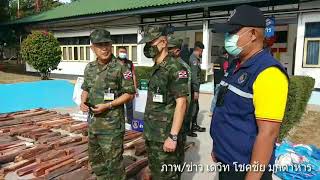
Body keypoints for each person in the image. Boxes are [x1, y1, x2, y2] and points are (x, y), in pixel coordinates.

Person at [210, 5, 289, 180]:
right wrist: (218, 148)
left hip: (246, 169)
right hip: (227, 160)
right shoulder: (236, 65)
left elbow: (268, 133)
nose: (228, 37)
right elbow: (227, 111)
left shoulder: (268, 73)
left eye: (233, 32)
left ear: (253, 34)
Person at [80, 29, 135, 180]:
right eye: (99, 45)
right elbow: (86, 87)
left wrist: (108, 105)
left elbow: (129, 94)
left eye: (107, 44)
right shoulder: (89, 68)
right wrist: (82, 102)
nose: (104, 48)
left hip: (112, 127)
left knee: (114, 166)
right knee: (97, 162)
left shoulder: (121, 67)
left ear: (111, 45)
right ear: (92, 48)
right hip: (94, 125)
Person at [139, 26, 189, 179]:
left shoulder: (175, 68)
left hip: (166, 137)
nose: (147, 48)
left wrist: (173, 137)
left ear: (163, 42)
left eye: (150, 43)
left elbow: (181, 103)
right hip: (153, 135)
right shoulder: (157, 67)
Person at [168, 36, 192, 165]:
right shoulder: (166, 65)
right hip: (167, 115)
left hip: (178, 113)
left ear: (177, 51)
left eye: (169, 49)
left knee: (177, 150)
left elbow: (184, 98)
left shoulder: (182, 68)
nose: (166, 51)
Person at [187, 41, 206, 137]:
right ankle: (189, 129)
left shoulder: (195, 59)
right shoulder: (193, 59)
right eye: (201, 51)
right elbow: (194, 76)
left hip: (194, 87)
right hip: (192, 88)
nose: (202, 53)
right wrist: (196, 90)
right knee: (192, 109)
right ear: (199, 50)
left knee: (196, 107)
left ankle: (194, 125)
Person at [117, 46, 138, 124]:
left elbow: (133, 75)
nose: (123, 53)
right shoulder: (114, 62)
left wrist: (135, 88)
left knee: (129, 107)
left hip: (129, 89)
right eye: (121, 51)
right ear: (117, 53)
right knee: (118, 106)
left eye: (124, 52)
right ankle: (119, 122)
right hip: (118, 89)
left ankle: (130, 122)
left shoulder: (129, 63)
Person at [210, 47, 230, 116]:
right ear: (225, 54)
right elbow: (226, 72)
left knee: (216, 96)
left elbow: (213, 70)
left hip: (216, 81)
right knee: (218, 97)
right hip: (221, 82)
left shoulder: (215, 61)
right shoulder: (225, 61)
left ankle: (213, 110)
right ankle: (212, 111)